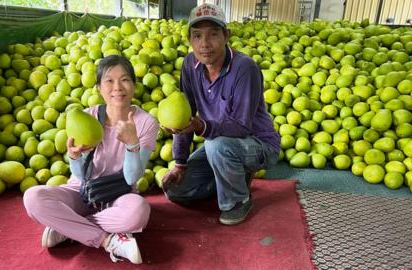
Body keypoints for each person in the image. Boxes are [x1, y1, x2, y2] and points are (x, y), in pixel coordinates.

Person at [23, 55, 159, 264]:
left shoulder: (146, 122)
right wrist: (75, 157)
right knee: (33, 198)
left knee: (139, 212)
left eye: (124, 79)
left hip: (119, 195)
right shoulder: (87, 116)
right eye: (109, 81)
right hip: (82, 191)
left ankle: (68, 228)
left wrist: (132, 144)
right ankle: (107, 240)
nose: (117, 87)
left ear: (134, 84)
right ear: (98, 87)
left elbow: (132, 178)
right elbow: (79, 175)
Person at [161, 3, 280, 226]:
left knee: (216, 145)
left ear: (226, 35)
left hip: (257, 144)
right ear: (189, 39)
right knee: (177, 191)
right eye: (197, 36)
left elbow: (241, 126)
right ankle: (234, 178)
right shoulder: (189, 65)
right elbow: (184, 113)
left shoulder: (245, 68)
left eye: (213, 35)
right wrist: (180, 163)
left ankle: (238, 200)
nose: (205, 44)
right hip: (220, 143)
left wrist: (200, 127)